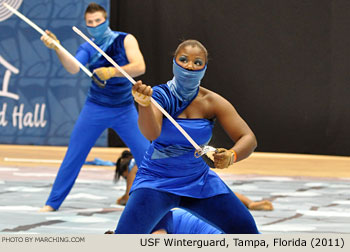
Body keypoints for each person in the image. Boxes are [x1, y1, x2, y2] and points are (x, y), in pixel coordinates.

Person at [113, 39, 260, 234]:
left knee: (247, 232)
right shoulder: (158, 95)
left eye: (197, 62)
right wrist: (144, 105)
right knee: (124, 240)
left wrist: (232, 155)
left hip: (198, 180)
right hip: (156, 181)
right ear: (174, 62)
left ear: (205, 68)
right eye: (184, 59)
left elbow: (248, 138)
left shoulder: (211, 101)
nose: (190, 66)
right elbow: (151, 133)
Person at [39, 2, 149, 212]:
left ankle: (166, 198)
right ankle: (52, 203)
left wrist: (112, 71)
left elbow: (139, 66)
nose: (94, 25)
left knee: (146, 156)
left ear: (106, 20)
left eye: (98, 21)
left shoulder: (125, 39)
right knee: (74, 155)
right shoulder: (88, 47)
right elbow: (73, 67)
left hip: (124, 109)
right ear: (86, 25)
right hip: (95, 109)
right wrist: (57, 48)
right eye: (90, 23)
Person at [114, 151, 273, 210]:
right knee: (213, 193)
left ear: (123, 171)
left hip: (172, 181)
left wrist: (120, 199)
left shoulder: (134, 167)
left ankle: (250, 204)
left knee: (203, 196)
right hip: (181, 169)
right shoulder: (144, 155)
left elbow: (129, 197)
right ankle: (250, 203)